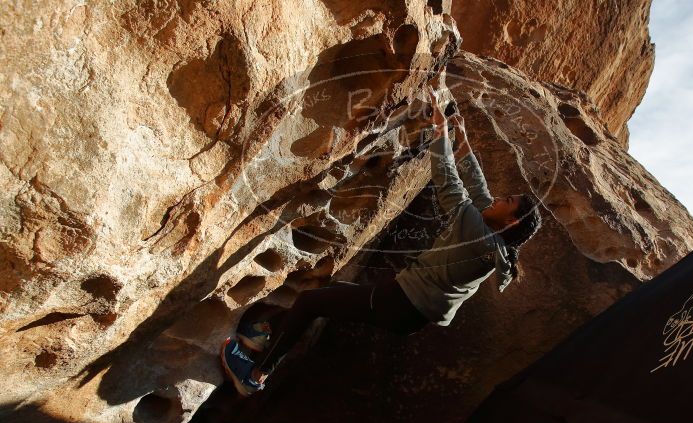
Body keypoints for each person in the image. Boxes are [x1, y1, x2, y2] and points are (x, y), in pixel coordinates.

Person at [220, 84, 542, 396]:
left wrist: (441, 133)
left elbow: (449, 181)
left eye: (508, 200)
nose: (500, 198)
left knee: (309, 303)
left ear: (510, 221)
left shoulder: (476, 235)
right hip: (405, 306)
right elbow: (481, 192)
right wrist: (463, 140)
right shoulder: (496, 243)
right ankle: (265, 334)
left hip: (399, 303)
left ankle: (255, 375)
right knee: (324, 294)